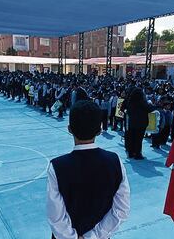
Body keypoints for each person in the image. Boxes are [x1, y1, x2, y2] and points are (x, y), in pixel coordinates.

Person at [47, 100, 130, 238]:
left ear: (69, 129)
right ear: (99, 130)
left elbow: (55, 215)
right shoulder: (115, 161)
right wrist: (93, 236)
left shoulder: (57, 166)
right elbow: (121, 210)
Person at [123, 87, 154, 160]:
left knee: (131, 138)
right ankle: (137, 154)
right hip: (141, 124)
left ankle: (131, 153)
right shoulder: (143, 103)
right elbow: (150, 109)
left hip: (132, 123)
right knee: (138, 139)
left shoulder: (129, 102)